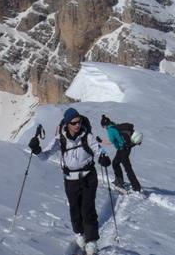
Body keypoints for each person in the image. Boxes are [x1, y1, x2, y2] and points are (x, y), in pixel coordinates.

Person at [29, 107, 111, 255]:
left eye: (79, 122)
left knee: (87, 208)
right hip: (70, 179)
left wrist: (103, 157)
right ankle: (79, 233)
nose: (77, 125)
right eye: (74, 123)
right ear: (67, 124)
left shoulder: (87, 136)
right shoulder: (59, 139)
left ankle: (91, 240)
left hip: (88, 177)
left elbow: (99, 150)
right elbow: (44, 156)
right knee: (75, 209)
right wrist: (37, 150)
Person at [100, 115, 141, 192]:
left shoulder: (110, 130)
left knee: (127, 168)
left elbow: (111, 141)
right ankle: (119, 181)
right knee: (115, 163)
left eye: (103, 126)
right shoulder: (114, 125)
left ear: (104, 126)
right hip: (124, 148)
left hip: (123, 150)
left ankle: (136, 187)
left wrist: (101, 141)